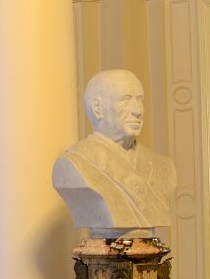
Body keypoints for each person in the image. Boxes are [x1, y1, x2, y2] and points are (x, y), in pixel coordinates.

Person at [53, 69, 177, 237]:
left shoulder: (163, 166)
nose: (138, 110)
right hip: (105, 256)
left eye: (140, 100)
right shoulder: (74, 164)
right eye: (125, 99)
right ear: (98, 108)